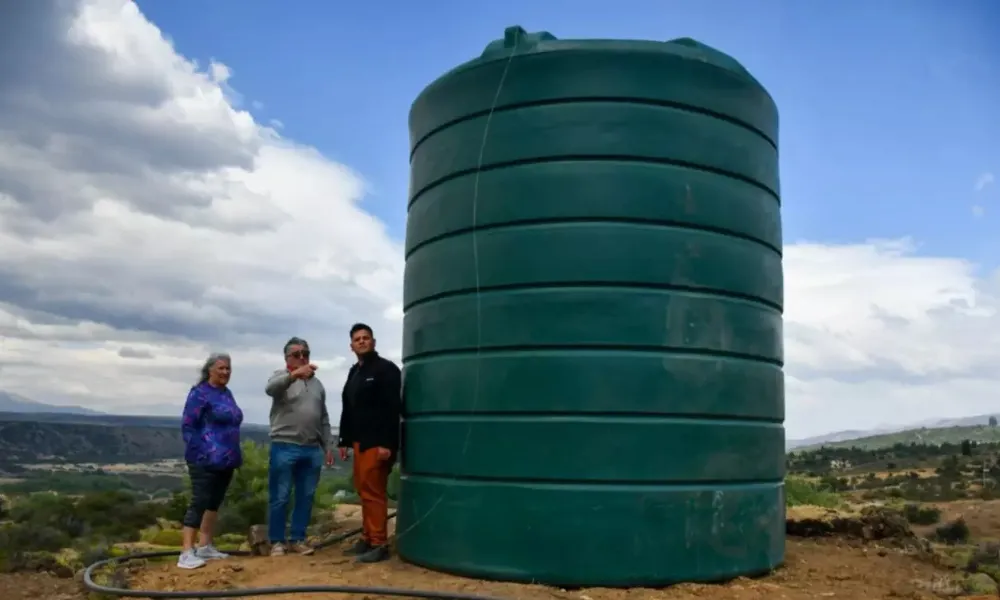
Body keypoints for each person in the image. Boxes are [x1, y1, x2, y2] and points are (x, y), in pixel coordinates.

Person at [264, 336, 334, 556]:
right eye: (297, 354)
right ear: (287, 359)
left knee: (306, 496)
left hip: (312, 448)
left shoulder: (318, 384)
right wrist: (293, 375)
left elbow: (323, 417)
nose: (302, 357)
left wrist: (328, 445)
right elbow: (270, 389)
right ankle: (276, 541)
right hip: (284, 445)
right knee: (281, 496)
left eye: (306, 353)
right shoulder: (281, 377)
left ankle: (298, 538)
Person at [338, 323, 402, 563]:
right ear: (351, 346)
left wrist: (387, 443)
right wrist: (344, 440)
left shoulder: (386, 370)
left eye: (366, 338)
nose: (362, 341)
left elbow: (393, 409)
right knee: (364, 490)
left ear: (373, 342)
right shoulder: (355, 371)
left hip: (378, 443)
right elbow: (349, 407)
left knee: (374, 492)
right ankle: (367, 539)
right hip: (359, 442)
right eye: (357, 339)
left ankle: (379, 543)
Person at [178, 352, 243, 570]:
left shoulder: (226, 393)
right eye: (221, 368)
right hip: (204, 458)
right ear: (209, 370)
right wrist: (202, 450)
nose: (225, 372)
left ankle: (205, 545)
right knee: (200, 501)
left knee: (214, 501)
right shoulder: (200, 394)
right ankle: (186, 552)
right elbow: (188, 425)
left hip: (226, 459)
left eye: (228, 369)